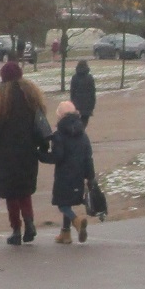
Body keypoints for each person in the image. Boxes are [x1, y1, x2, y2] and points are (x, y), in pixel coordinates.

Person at [0, 58, 49, 245]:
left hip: (7, 154)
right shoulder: (31, 96)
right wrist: (43, 146)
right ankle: (30, 223)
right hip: (28, 151)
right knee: (24, 192)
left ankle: (16, 230)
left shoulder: (3, 100)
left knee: (11, 195)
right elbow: (39, 125)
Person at [42, 100, 97, 244]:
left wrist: (40, 155)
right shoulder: (83, 134)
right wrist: (90, 177)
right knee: (69, 200)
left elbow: (57, 157)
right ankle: (65, 233)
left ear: (60, 116)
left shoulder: (59, 135)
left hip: (64, 175)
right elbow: (88, 157)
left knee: (63, 204)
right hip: (79, 174)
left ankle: (76, 220)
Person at [69, 59, 96, 126]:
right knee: (84, 121)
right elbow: (92, 92)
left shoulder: (74, 77)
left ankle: (77, 132)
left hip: (76, 103)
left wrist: (72, 102)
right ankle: (80, 132)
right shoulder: (90, 78)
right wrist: (93, 104)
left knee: (76, 121)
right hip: (87, 103)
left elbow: (72, 91)